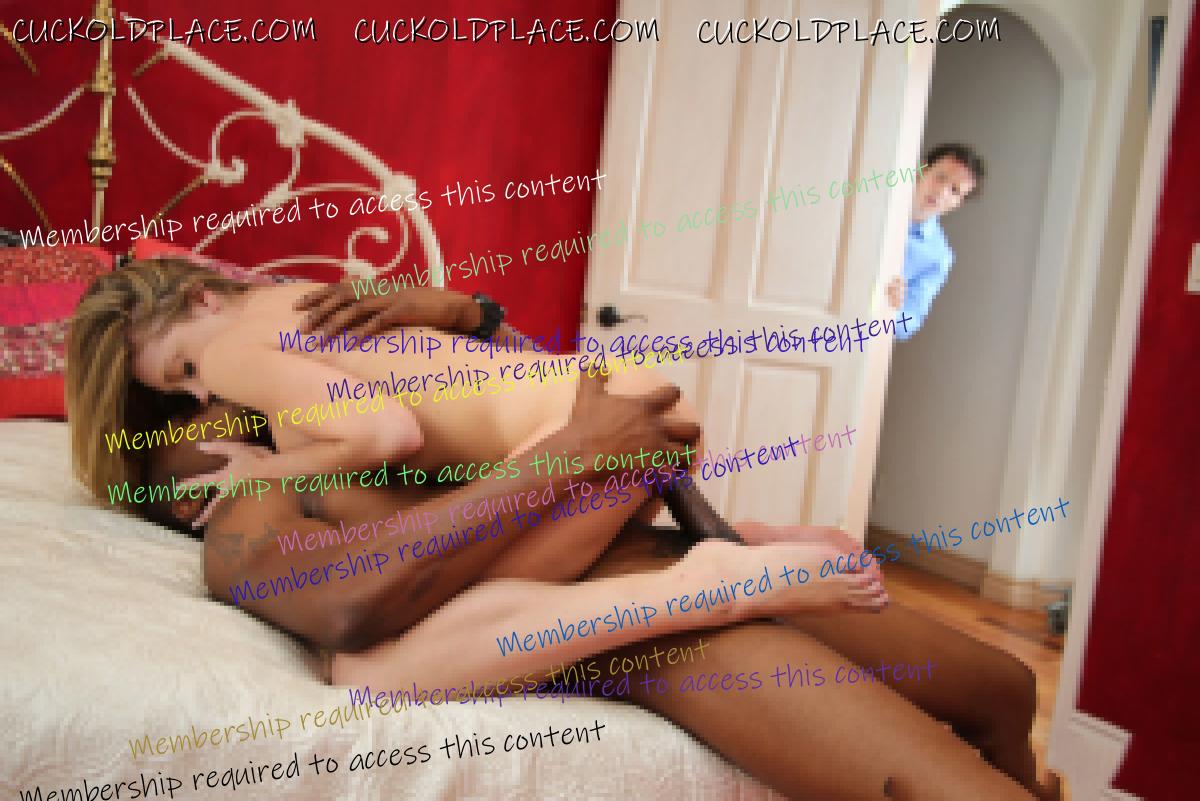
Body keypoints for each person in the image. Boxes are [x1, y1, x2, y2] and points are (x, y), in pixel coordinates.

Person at [129, 281, 1056, 800]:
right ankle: (720, 575)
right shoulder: (238, 488)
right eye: (184, 385)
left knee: (1007, 689)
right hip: (618, 628)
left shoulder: (325, 359)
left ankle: (731, 557)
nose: (209, 388)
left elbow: (531, 398)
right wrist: (572, 453)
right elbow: (342, 606)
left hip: (633, 544)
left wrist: (471, 318)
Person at [887, 143, 985, 340]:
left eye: (955, 190)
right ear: (922, 170)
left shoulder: (939, 256)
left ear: (958, 203)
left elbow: (909, 324)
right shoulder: (876, 202)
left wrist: (894, 308)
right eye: (940, 177)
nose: (942, 192)